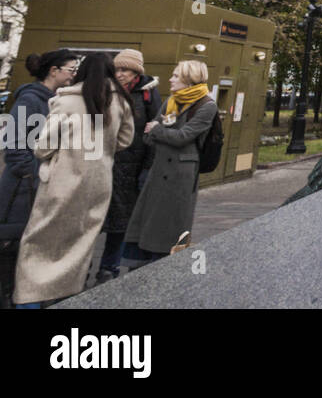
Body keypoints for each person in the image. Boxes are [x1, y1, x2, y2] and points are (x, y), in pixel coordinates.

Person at [13, 53, 133, 307]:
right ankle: (66, 296)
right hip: (99, 183)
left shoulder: (66, 102)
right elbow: (125, 141)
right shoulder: (119, 102)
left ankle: (30, 301)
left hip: (62, 182)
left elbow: (43, 148)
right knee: (80, 245)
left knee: (39, 244)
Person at [0, 49, 79, 308]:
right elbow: (14, 146)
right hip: (21, 191)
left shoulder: (56, 100)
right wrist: (35, 174)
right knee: (12, 250)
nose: (74, 74)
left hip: (37, 186)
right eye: (70, 69)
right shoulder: (30, 100)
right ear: (53, 70)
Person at [122, 60, 217, 267]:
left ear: (188, 79)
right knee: (146, 223)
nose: (171, 79)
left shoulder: (207, 105)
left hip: (180, 175)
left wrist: (157, 130)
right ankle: (140, 265)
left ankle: (164, 267)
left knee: (170, 227)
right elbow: (149, 138)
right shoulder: (171, 101)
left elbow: (183, 136)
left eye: (176, 76)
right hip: (158, 169)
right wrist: (159, 132)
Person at [95, 49, 161, 283]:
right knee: (93, 219)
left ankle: (108, 267)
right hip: (104, 163)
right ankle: (81, 268)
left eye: (125, 70)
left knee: (120, 224)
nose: (120, 74)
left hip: (132, 167)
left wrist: (146, 169)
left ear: (136, 72)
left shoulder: (148, 95)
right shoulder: (106, 89)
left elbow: (154, 131)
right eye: (118, 69)